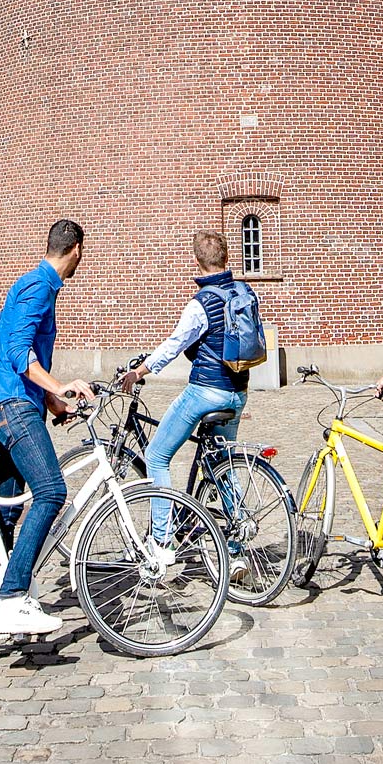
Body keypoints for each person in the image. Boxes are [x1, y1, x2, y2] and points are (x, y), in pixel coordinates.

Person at [0, 218, 96, 639]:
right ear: (76, 249)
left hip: (12, 403)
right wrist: (59, 384)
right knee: (51, 491)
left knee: (8, 509)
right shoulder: (38, 285)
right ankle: (11, 599)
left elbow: (24, 358)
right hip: (11, 407)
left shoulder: (39, 285)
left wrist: (53, 400)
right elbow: (17, 351)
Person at [118, 231, 254, 568]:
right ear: (226, 259)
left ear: (197, 262)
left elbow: (176, 343)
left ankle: (160, 541)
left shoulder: (202, 302)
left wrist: (141, 371)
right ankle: (236, 551)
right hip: (238, 393)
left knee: (157, 455)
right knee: (220, 464)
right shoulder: (245, 292)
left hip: (206, 390)